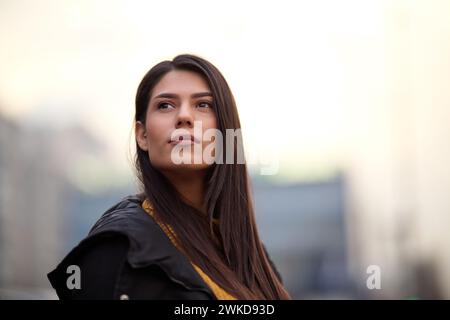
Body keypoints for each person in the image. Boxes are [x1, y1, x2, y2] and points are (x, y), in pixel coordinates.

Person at [47, 54, 291, 300]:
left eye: (203, 105)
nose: (184, 116)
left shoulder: (254, 259)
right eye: (165, 105)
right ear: (142, 135)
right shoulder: (118, 248)